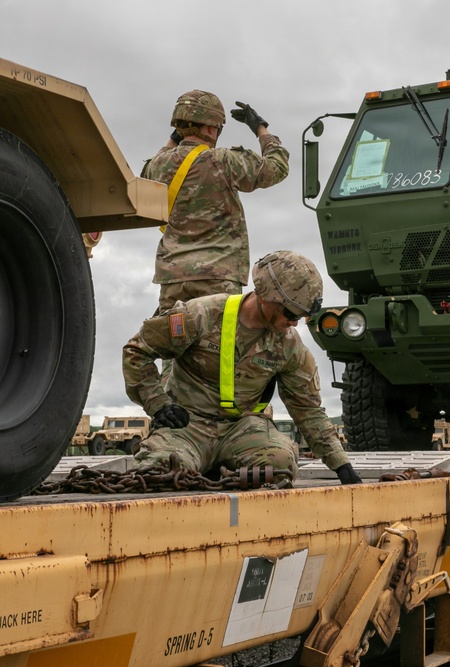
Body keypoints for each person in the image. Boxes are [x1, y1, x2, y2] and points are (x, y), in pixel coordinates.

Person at [122, 250, 361, 487]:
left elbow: (307, 409)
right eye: (290, 313)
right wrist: (159, 405)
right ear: (267, 297)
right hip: (187, 427)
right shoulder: (201, 315)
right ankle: (202, 465)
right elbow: (137, 351)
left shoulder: (289, 346)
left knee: (279, 464)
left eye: (301, 316)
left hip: (241, 429)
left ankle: (217, 469)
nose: (294, 322)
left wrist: (341, 465)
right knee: (159, 471)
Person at [143, 90, 290, 315]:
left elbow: (150, 170)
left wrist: (176, 137)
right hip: (217, 276)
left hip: (173, 278)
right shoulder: (223, 160)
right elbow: (277, 167)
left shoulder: (158, 165)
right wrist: (260, 128)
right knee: (218, 346)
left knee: (174, 344)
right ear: (212, 127)